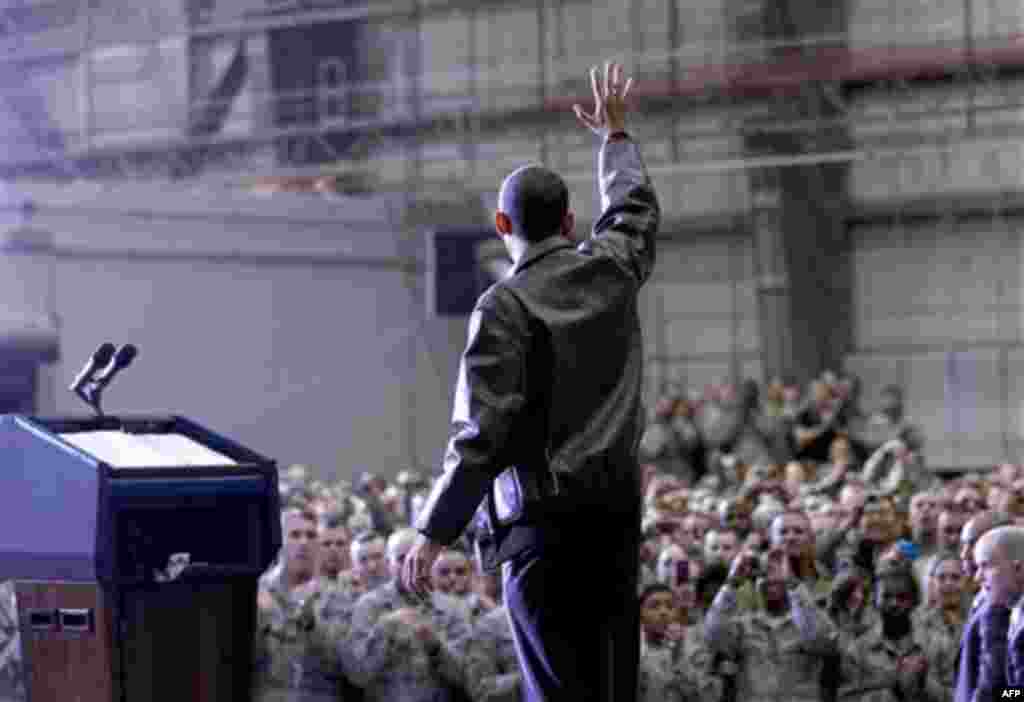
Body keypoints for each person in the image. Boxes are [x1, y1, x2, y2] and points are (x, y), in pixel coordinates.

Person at [401, 59, 659, 702]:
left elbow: (481, 433)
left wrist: (435, 529)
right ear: (570, 225)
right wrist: (615, 141)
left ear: (502, 227)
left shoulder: (503, 307)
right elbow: (632, 213)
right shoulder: (611, 270)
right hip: (617, 525)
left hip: (544, 537)